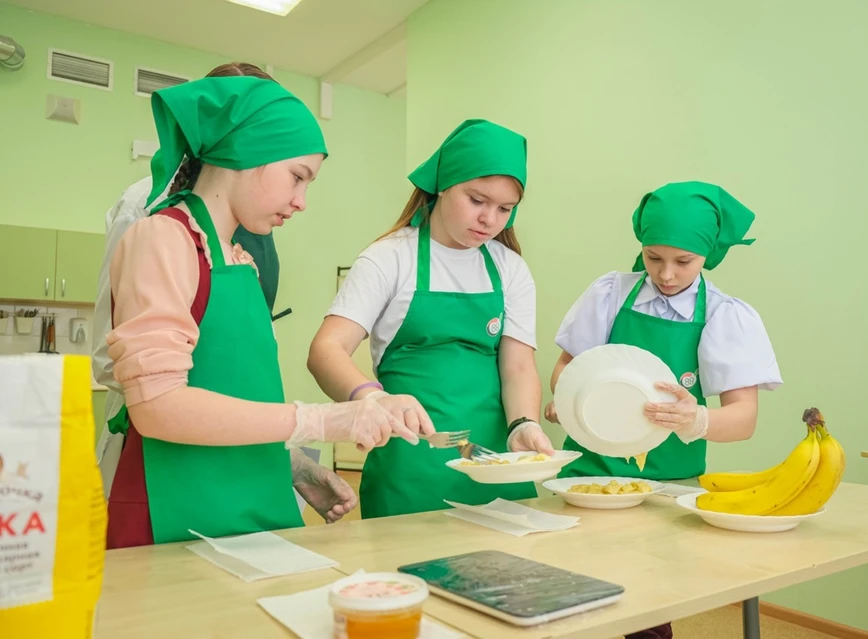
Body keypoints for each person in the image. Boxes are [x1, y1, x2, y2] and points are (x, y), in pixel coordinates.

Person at [104, 75, 433, 548]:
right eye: (297, 176)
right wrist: (324, 420)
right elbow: (158, 407)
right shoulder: (163, 238)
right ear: (247, 149)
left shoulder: (240, 261)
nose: (301, 202)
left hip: (252, 508)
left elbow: (230, 390)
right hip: (179, 514)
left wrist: (290, 463)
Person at [544, 181, 782, 639]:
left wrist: (697, 419)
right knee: (571, 599)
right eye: (653, 257)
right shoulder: (610, 294)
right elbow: (566, 368)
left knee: (645, 607)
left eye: (683, 261)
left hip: (665, 487)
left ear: (708, 254)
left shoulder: (724, 316)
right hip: (587, 478)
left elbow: (743, 419)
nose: (666, 274)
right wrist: (570, 399)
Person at [308, 119, 555, 519]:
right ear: (443, 184)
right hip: (409, 471)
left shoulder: (510, 268)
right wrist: (374, 400)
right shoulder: (390, 258)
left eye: (505, 209)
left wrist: (522, 424)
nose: (490, 219)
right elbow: (326, 350)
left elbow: (519, 367)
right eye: (477, 200)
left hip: (495, 468)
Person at [92, 62, 284, 500]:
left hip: (239, 448)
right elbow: (109, 352)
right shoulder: (148, 207)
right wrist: (177, 403)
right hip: (159, 453)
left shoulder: (256, 220)